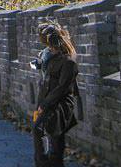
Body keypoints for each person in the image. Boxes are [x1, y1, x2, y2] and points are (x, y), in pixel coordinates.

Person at [34, 26, 80, 167]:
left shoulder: (68, 62)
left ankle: (50, 163)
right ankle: (47, 163)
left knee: (51, 133)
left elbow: (62, 87)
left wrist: (44, 105)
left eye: (51, 47)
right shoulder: (50, 58)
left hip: (60, 103)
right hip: (46, 100)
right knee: (48, 133)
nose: (49, 49)